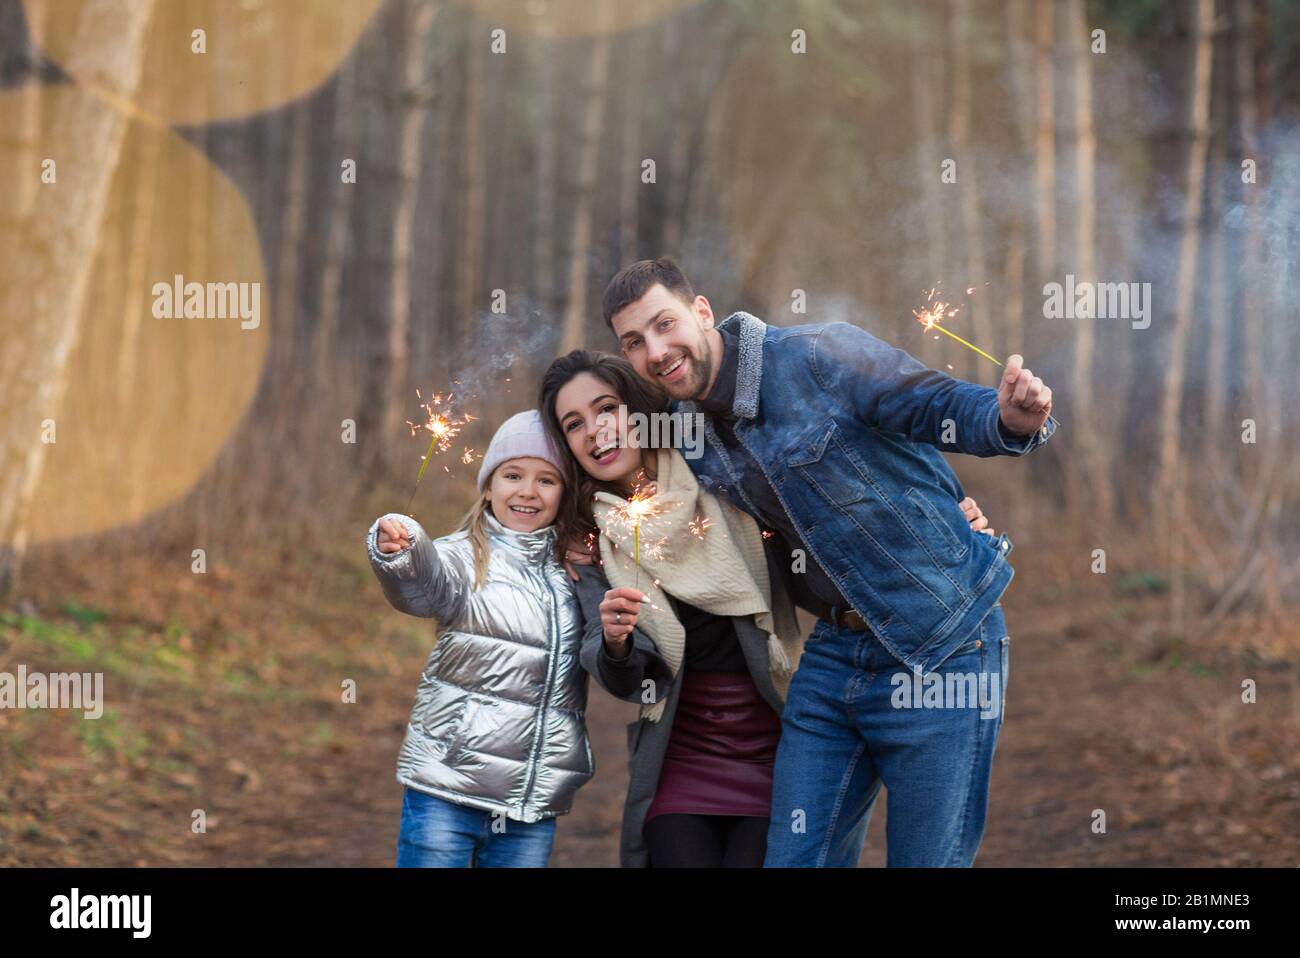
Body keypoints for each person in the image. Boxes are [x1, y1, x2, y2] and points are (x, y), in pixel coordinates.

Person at [599, 256, 1058, 867]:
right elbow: (654, 498)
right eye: (635, 342)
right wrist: (581, 527)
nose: (656, 351)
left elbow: (928, 404)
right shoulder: (690, 434)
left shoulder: (816, 356)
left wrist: (1005, 421)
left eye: (664, 324)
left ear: (701, 311)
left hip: (944, 643)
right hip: (835, 658)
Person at [540, 351, 996, 867]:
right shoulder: (592, 539)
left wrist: (930, 531)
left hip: (774, 746)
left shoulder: (718, 475)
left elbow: (829, 526)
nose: (595, 431)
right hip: (682, 760)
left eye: (607, 409)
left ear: (640, 409)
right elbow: (625, 681)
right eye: (573, 424)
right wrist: (617, 644)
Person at [367, 409, 592, 867]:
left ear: (564, 493)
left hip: (530, 801)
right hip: (446, 786)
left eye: (546, 480)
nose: (527, 491)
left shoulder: (574, 571)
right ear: (489, 486)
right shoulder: (463, 559)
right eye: (512, 475)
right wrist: (401, 549)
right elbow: (424, 584)